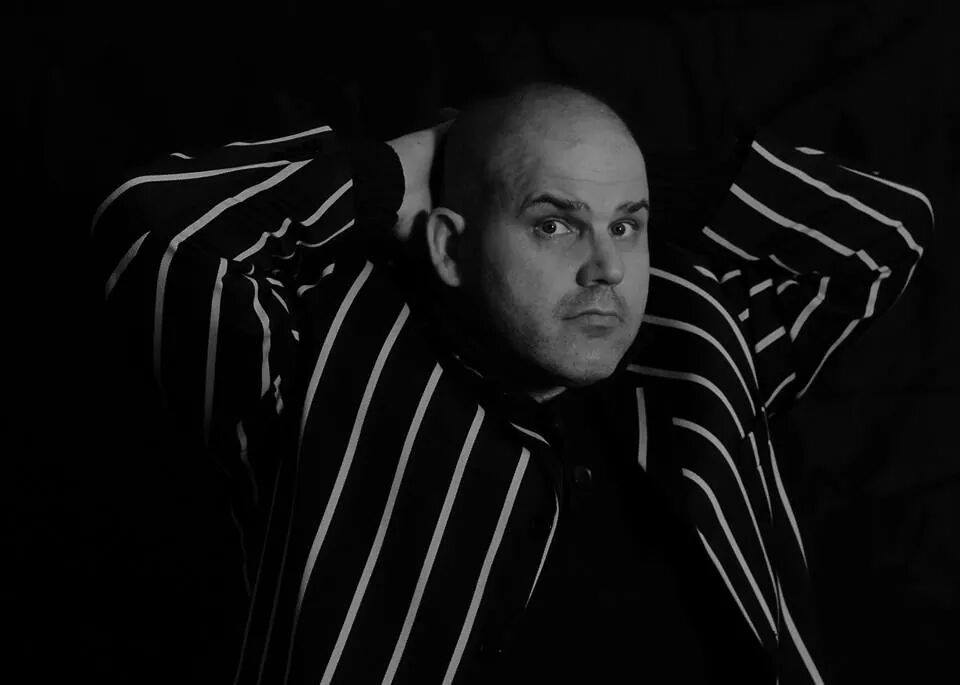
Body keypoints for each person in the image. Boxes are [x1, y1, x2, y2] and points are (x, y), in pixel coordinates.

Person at [93, 81, 933, 684]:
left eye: (628, 229)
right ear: (449, 245)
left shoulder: (700, 351)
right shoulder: (330, 361)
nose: (606, 268)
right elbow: (158, 226)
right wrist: (403, 169)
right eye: (553, 224)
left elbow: (886, 231)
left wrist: (606, 171)